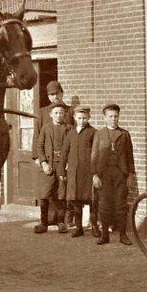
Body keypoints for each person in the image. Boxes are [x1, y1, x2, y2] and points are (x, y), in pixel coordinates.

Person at [91, 103, 135, 245]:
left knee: (121, 204)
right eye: (110, 116)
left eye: (116, 116)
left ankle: (123, 235)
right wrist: (94, 175)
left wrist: (130, 175)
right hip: (104, 174)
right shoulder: (99, 134)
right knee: (104, 204)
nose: (113, 119)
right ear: (105, 118)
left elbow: (130, 156)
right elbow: (94, 156)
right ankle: (105, 235)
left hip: (120, 174)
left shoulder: (124, 134)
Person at [33, 80, 75, 226]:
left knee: (61, 189)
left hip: (63, 158)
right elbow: (38, 136)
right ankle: (47, 220)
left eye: (57, 94)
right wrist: (38, 158)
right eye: (51, 95)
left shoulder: (69, 111)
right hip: (48, 156)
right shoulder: (43, 112)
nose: (54, 97)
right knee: (46, 189)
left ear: (62, 93)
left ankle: (62, 220)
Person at [59, 105, 99, 238]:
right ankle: (79, 227)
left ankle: (94, 226)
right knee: (76, 200)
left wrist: (95, 172)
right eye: (79, 118)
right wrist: (61, 170)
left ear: (89, 118)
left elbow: (96, 154)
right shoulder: (70, 134)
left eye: (85, 118)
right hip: (73, 172)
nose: (82, 121)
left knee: (92, 200)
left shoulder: (93, 132)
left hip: (88, 172)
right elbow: (64, 153)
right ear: (75, 117)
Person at [34, 103, 70, 234]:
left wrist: (68, 163)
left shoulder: (69, 128)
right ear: (51, 115)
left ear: (64, 114)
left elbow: (72, 147)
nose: (59, 115)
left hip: (62, 164)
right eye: (56, 113)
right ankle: (43, 223)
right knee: (44, 193)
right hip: (49, 164)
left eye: (61, 113)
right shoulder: (46, 128)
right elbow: (39, 146)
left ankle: (61, 222)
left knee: (61, 193)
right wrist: (43, 163)